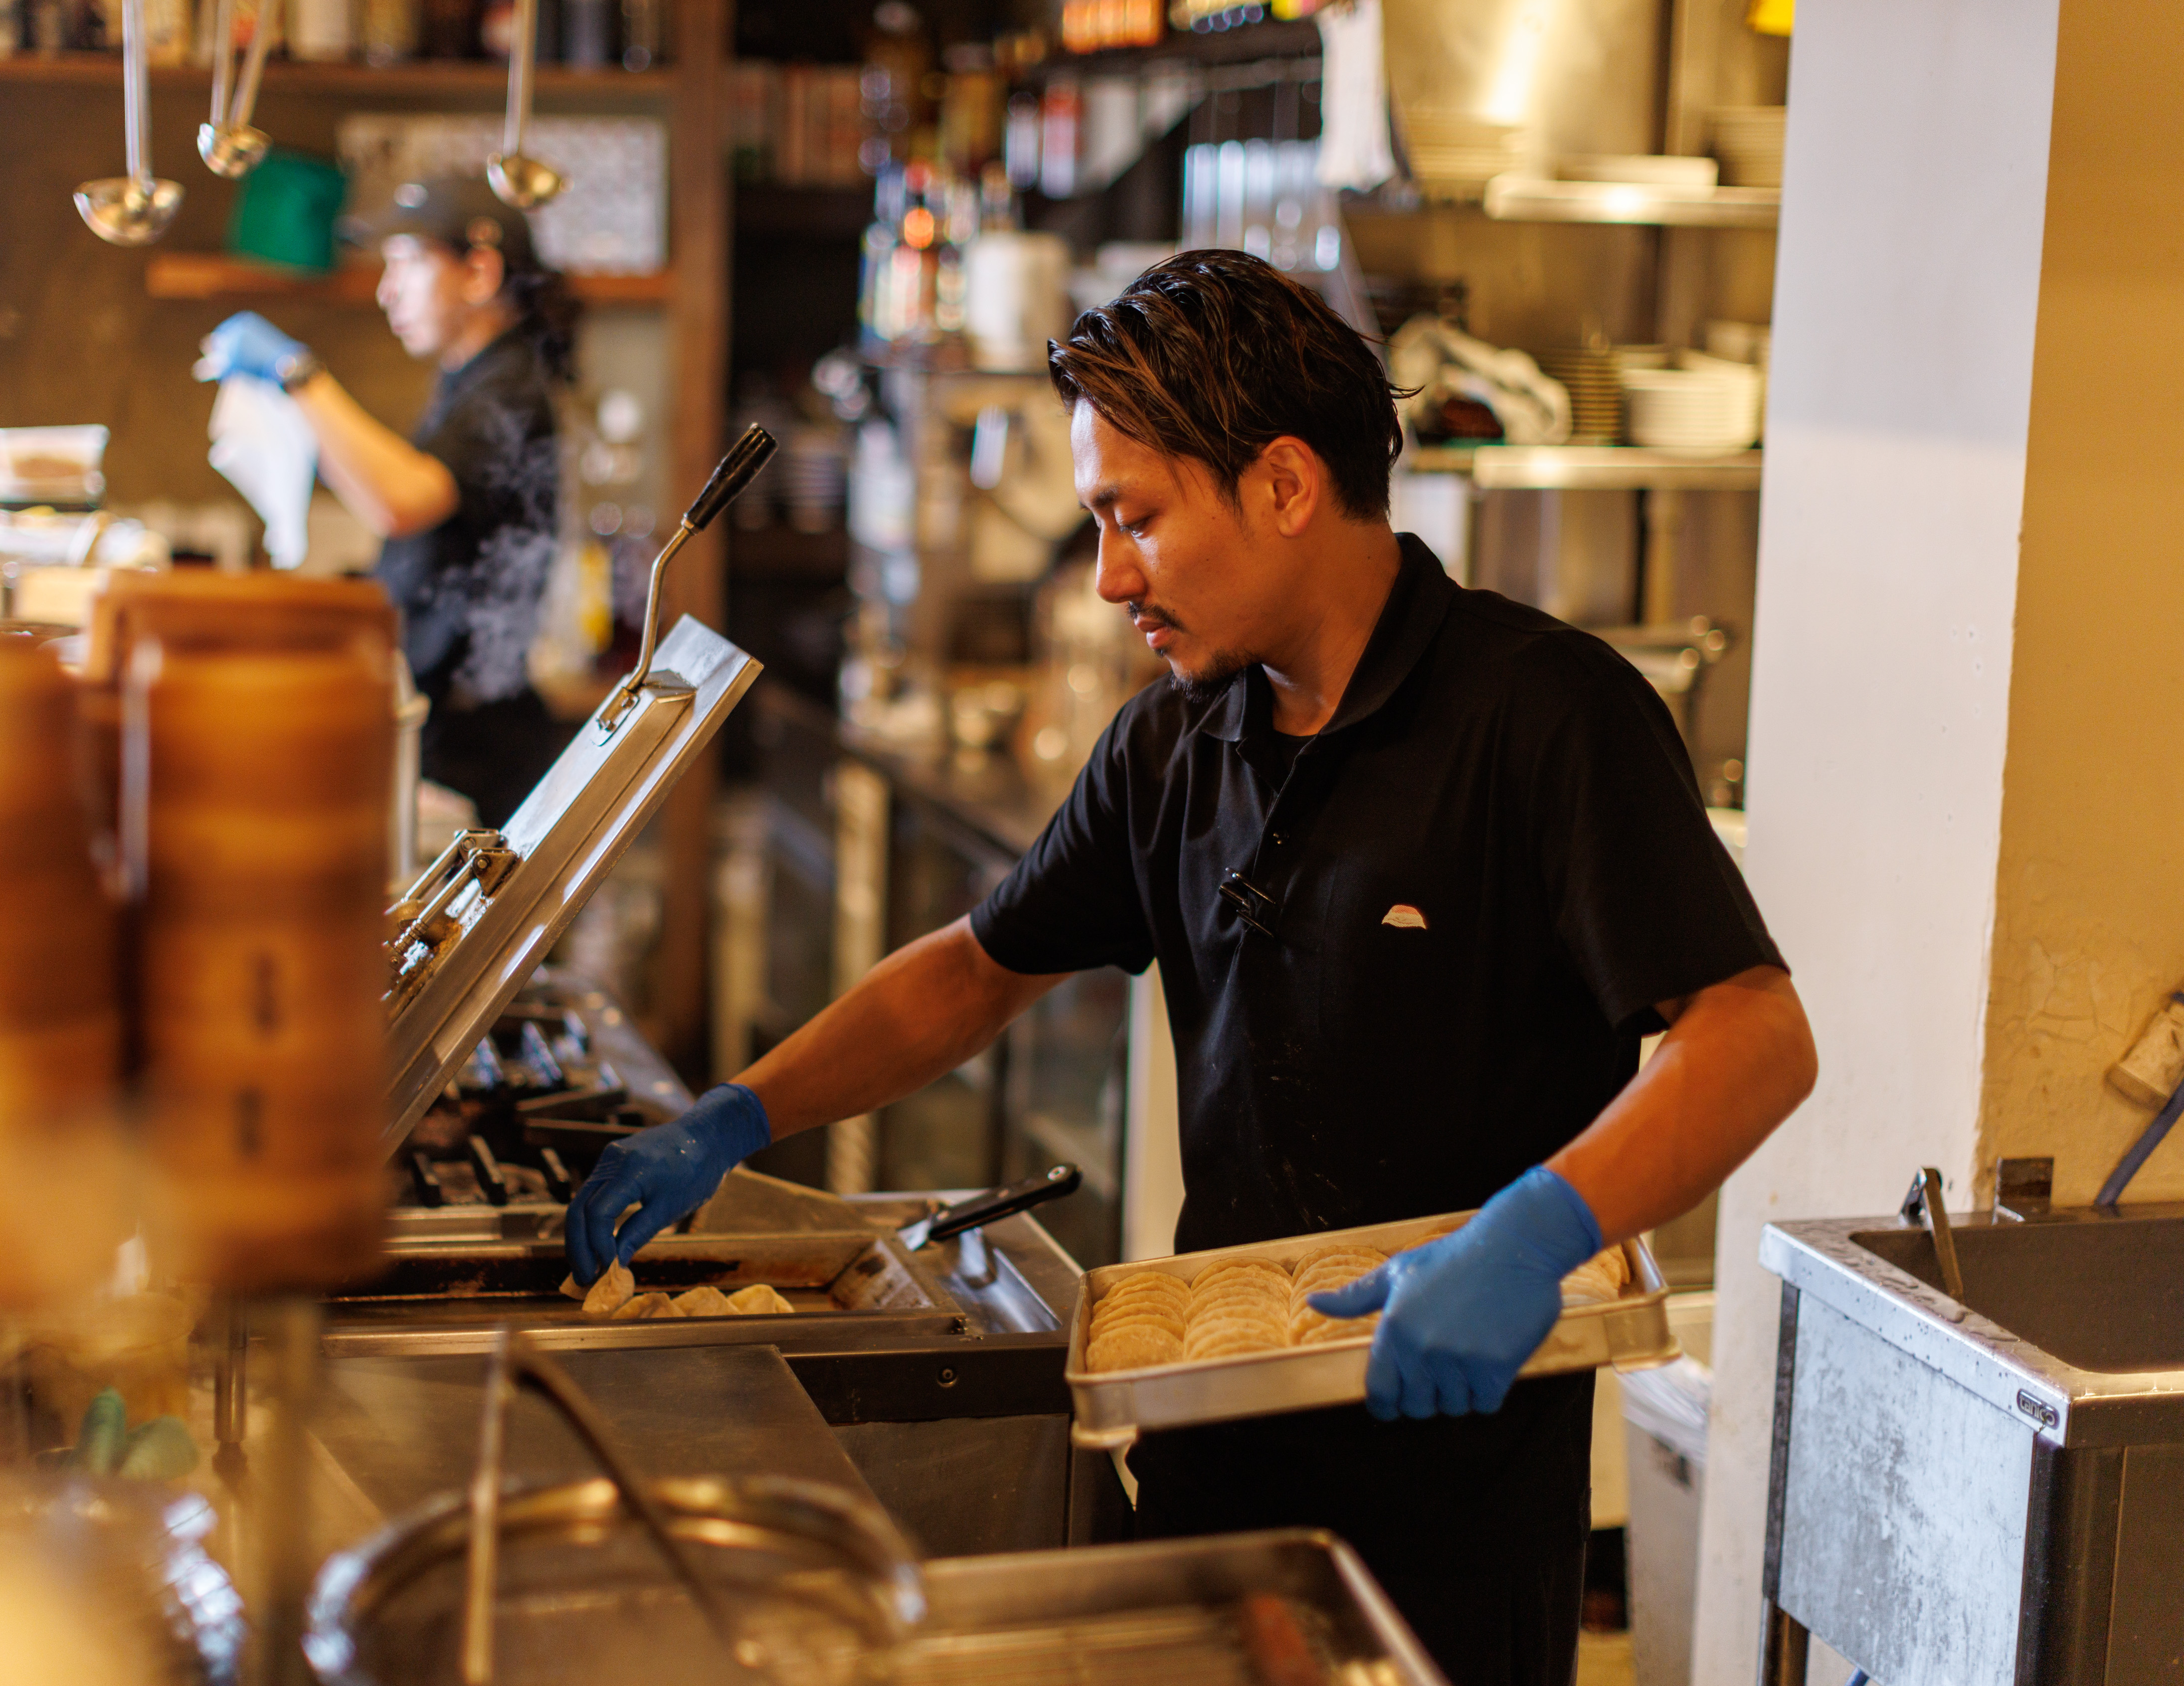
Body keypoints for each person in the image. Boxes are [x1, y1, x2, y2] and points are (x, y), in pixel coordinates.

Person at [562, 251, 1817, 1686]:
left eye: (1134, 519)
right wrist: (736, 1119)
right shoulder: (1177, 743)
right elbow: (976, 970)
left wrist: (1536, 1229)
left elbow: (1753, 1034)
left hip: (1452, 1495)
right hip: (1210, 1449)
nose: (1108, 580)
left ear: (1284, 484)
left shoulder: (1547, 718)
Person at [199, 177, 582, 829]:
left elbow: (403, 498)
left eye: (406, 262)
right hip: (450, 730)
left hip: (478, 754)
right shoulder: (470, 381)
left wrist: (298, 374)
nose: (387, 290)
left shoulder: (512, 389)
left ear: (479, 272)